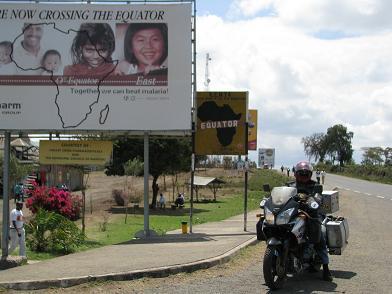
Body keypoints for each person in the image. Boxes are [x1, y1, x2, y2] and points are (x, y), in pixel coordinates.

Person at [293, 161, 332, 282]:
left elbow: (318, 197)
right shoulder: (290, 185)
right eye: (301, 173)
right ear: (295, 174)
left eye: (306, 173)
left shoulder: (315, 186)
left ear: (310, 174)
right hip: (295, 213)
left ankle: (326, 268)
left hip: (313, 214)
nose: (303, 176)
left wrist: (314, 199)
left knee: (320, 233)